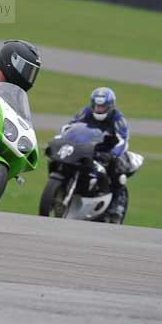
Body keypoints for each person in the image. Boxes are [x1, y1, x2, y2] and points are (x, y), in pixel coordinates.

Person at [68, 87, 129, 223]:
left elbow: (123, 140)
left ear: (110, 105)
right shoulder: (85, 112)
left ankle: (116, 206)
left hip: (108, 151)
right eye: (96, 105)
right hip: (87, 148)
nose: (99, 109)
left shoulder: (118, 118)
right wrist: (63, 138)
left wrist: (113, 154)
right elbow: (70, 126)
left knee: (117, 170)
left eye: (102, 106)